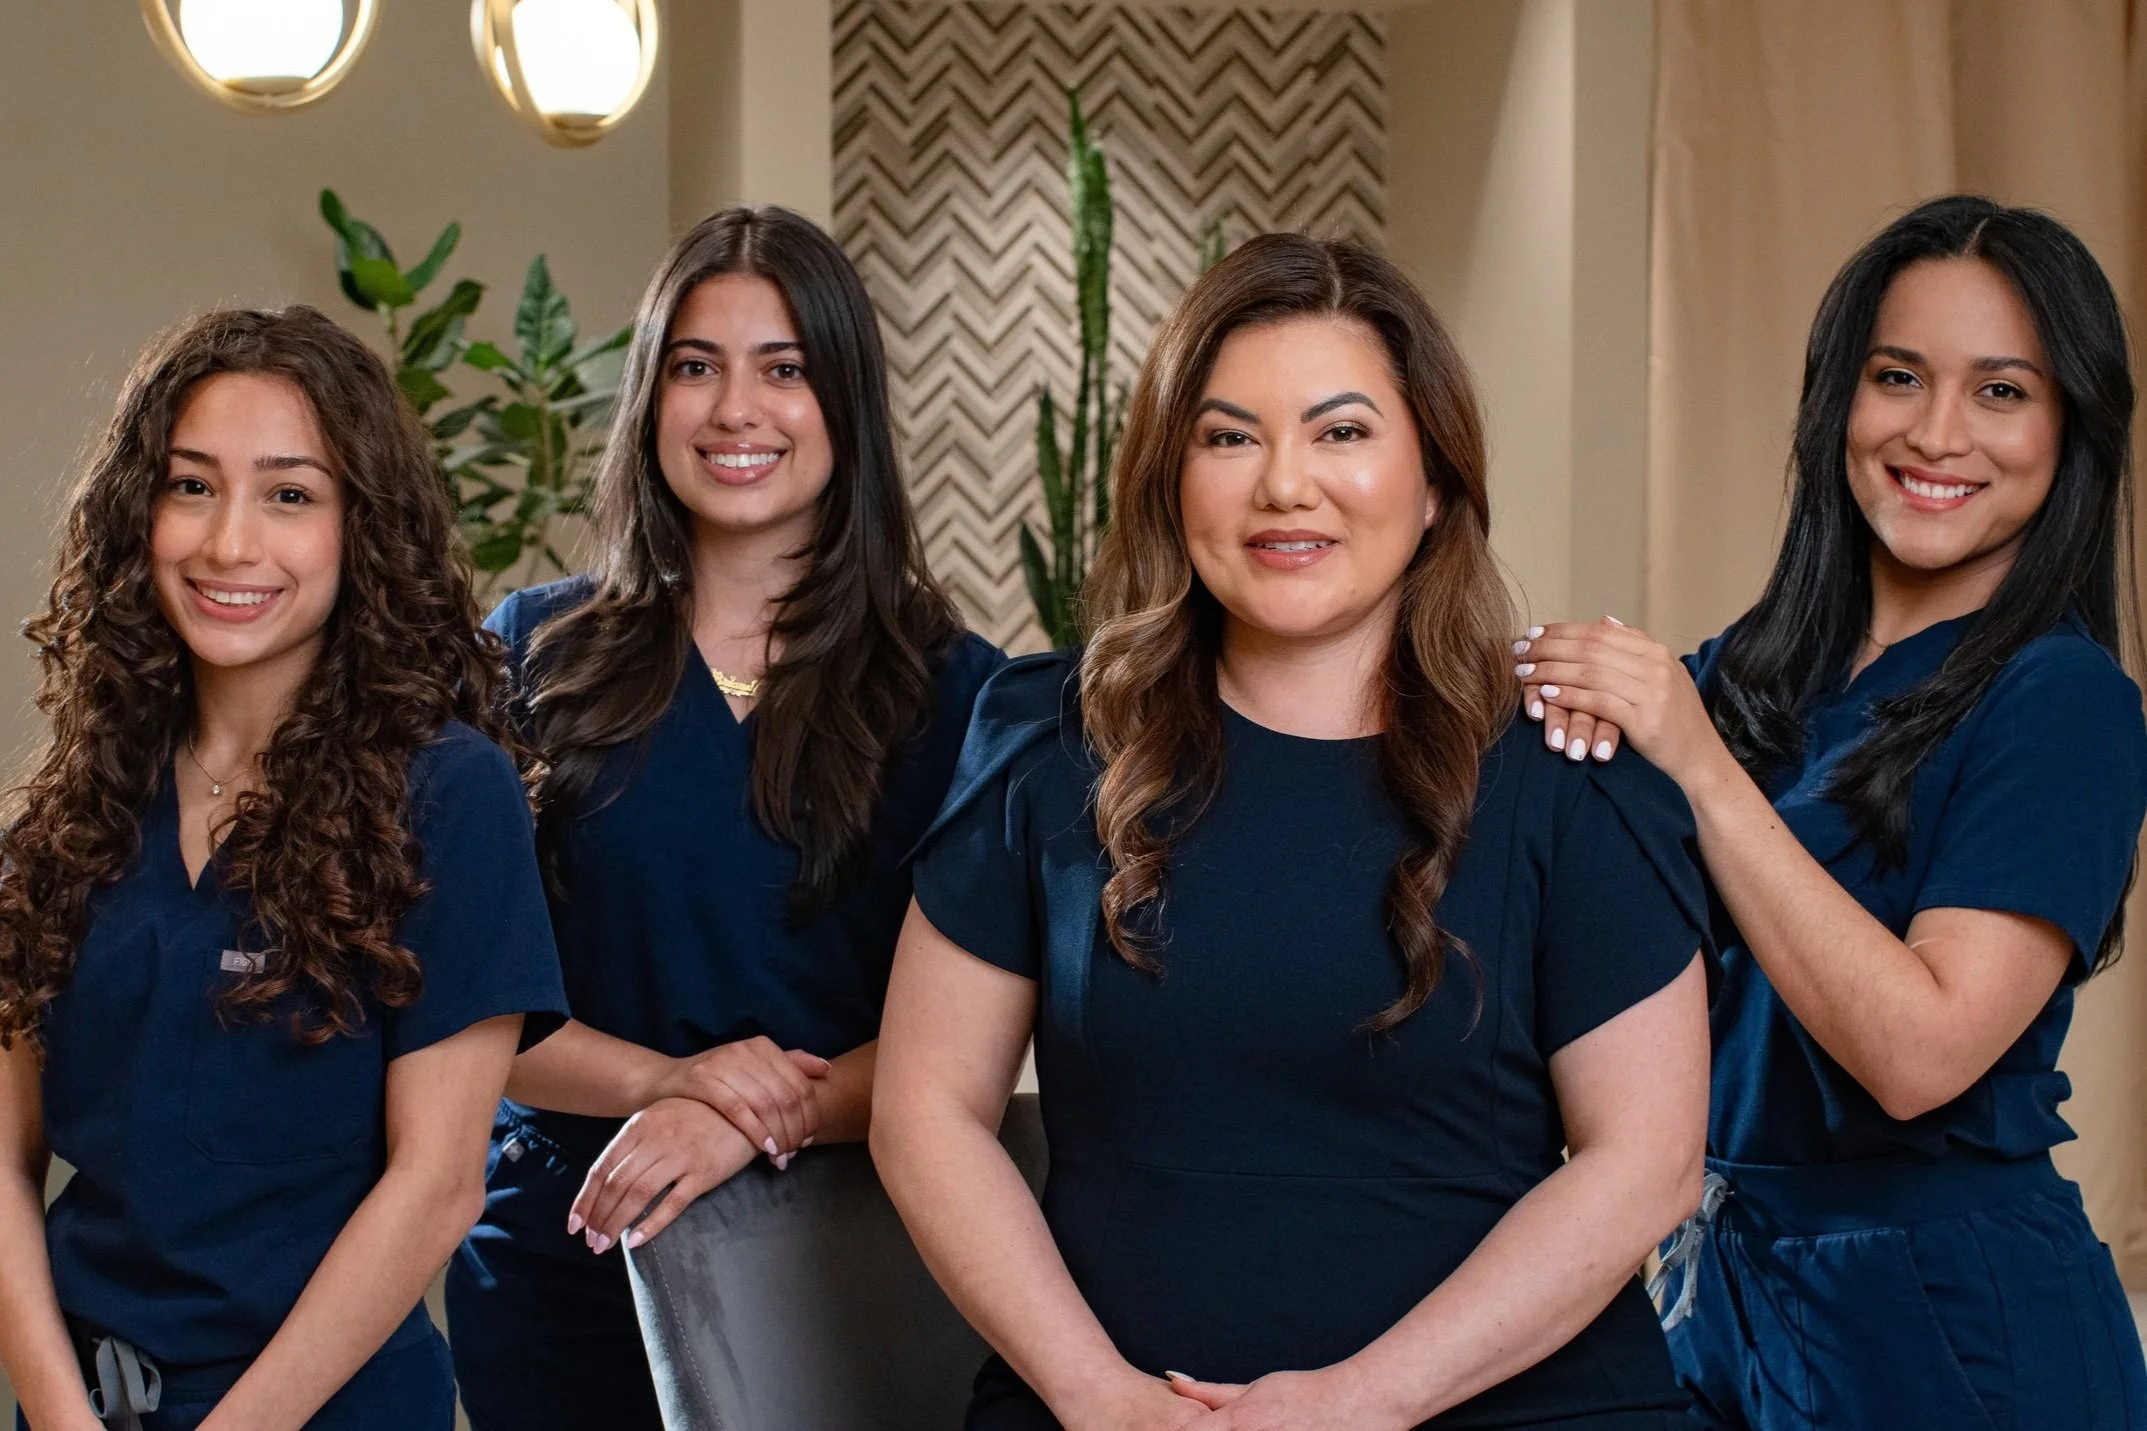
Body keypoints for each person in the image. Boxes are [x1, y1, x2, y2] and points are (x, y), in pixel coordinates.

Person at [871, 233, 1712, 1431]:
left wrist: (1361, 1404)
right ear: (1170, 477)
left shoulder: (1567, 771)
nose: (1281, 486)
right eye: (1227, 437)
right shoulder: (1043, 744)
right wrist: (1098, 1398)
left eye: (1341, 432)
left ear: (1432, 485)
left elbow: (1645, 1164)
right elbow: (926, 1110)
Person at [1517, 194, 2147, 1427]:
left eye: (2000, 391)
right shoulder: (1744, 676)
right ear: (1834, 402)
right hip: (1720, 1295)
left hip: (1954, 1327)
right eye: (1895, 375)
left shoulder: (2063, 703)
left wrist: (1692, 765)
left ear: (2070, 425)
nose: (1935, 432)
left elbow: (1921, 1053)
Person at [445, 206, 1004, 1430]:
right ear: (650, 400)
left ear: (844, 407)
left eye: (784, 369)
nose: (735, 410)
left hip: (846, 1262)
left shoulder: (958, 691)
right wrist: (671, 1085)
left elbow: (977, 1039)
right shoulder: (525, 656)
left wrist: (760, 1120)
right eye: (696, 367)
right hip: (568, 1252)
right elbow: (460, 1002)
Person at [0, 307, 567, 1431]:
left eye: (290, 494)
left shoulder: (449, 792)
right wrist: (60, 1416)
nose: (228, 545)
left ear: (364, 527)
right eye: (191, 486)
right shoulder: (73, 806)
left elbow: (439, 1182)